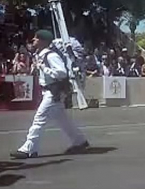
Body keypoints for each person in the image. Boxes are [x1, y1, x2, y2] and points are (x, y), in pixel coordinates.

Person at [10, 30, 89, 159]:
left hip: (53, 92)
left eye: (36, 38)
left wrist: (43, 68)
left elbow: (61, 73)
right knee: (63, 120)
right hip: (50, 91)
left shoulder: (51, 56)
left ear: (43, 41)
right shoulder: (43, 55)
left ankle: (29, 148)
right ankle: (80, 141)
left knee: (39, 119)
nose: (33, 41)